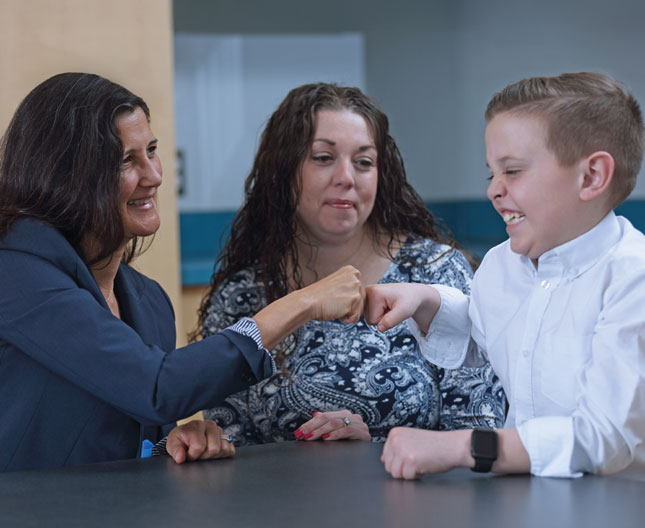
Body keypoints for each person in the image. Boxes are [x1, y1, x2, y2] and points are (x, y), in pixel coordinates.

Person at [0, 73, 364, 472]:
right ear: (65, 175)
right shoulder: (15, 275)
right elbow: (156, 387)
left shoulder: (149, 300)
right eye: (126, 160)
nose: (154, 175)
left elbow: (135, 430)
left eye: (151, 151)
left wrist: (175, 442)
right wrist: (305, 301)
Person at [366, 72, 645, 478]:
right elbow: (496, 332)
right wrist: (428, 302)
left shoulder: (633, 277)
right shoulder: (502, 264)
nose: (493, 190)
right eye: (490, 174)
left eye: (512, 171)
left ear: (591, 177)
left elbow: (605, 437)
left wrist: (465, 446)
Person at [196, 83, 505, 445]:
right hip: (281, 501)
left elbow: (479, 428)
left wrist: (370, 451)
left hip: (420, 499)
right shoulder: (241, 297)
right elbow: (228, 439)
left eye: (364, 162)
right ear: (282, 171)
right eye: (323, 158)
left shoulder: (435, 271)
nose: (346, 178)